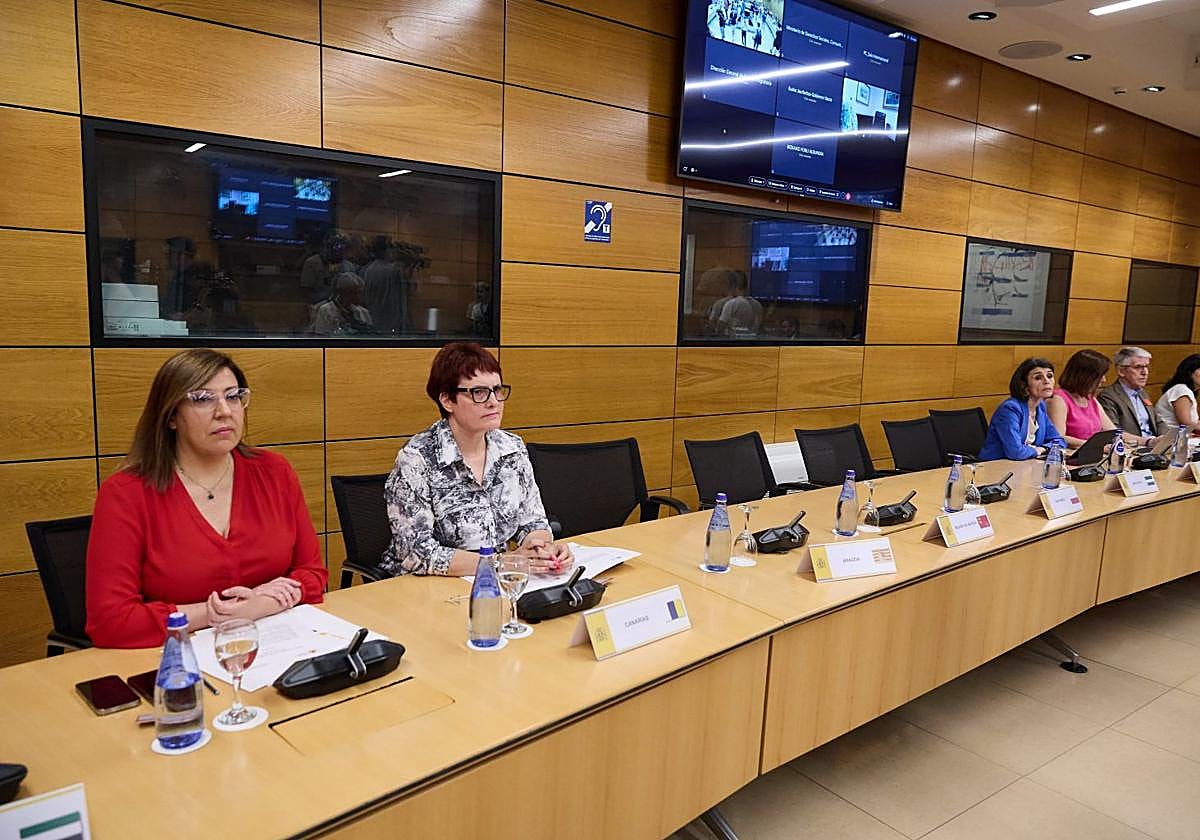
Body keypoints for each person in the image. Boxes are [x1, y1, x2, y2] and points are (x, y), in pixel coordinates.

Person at [86, 349, 327, 648]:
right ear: (171, 415)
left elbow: (313, 574)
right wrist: (216, 614)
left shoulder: (274, 472)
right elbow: (110, 622)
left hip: (276, 642)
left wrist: (263, 603)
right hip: (174, 658)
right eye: (202, 398)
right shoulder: (125, 494)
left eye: (234, 396)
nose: (224, 411)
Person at [381, 342, 573, 576]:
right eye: (479, 392)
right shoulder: (417, 460)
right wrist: (502, 562)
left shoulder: (512, 448)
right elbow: (417, 554)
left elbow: (533, 522)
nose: (494, 401)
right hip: (425, 589)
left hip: (494, 579)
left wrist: (543, 549)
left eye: (497, 390)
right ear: (448, 400)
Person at [1046, 349, 1139, 449]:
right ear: (1086, 376)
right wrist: (1098, 447)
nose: (1104, 380)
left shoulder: (1090, 399)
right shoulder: (1058, 399)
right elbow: (1059, 438)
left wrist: (1148, 442)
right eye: (1100, 375)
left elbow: (1113, 433)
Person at [979, 357, 1067, 461]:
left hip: (1025, 467)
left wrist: (1043, 449)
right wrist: (1037, 450)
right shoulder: (1010, 409)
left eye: (1049, 376)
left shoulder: (1041, 407)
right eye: (1038, 378)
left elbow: (1059, 441)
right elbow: (1015, 452)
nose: (1046, 381)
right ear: (1024, 385)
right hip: (995, 468)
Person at [1097, 346, 1163, 442]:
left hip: (1153, 445)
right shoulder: (1108, 396)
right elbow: (1113, 433)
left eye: (1146, 366)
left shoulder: (1142, 393)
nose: (1145, 372)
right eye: (1138, 367)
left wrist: (1166, 438)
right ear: (1121, 371)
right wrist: (1148, 443)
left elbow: (1158, 421)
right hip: (1134, 446)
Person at [1155, 354, 1200, 431]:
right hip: (1169, 439)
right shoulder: (1181, 390)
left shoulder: (1185, 390)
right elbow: (1186, 424)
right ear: (1189, 372)